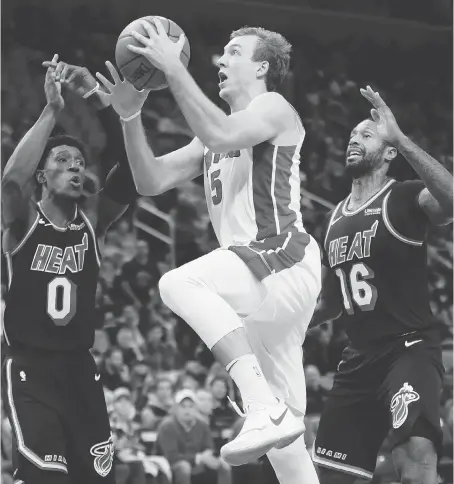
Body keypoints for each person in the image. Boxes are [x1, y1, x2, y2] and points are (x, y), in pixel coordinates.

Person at [97, 23, 321, 482]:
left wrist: (174, 66)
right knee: (286, 448)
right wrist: (129, 116)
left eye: (233, 52)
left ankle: (260, 405)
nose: (220, 60)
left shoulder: (273, 108)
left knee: (178, 282)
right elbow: (150, 181)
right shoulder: (210, 139)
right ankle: (269, 411)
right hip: (256, 288)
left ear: (262, 66)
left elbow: (220, 133)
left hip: (280, 256)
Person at [1, 55, 141, 483]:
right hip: (30, 367)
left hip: (81, 368)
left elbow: (132, 167)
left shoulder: (92, 223)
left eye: (79, 162)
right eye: (62, 160)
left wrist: (99, 100)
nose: (75, 166)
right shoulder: (22, 222)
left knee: (93, 478)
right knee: (46, 478)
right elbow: (10, 180)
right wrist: (53, 109)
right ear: (41, 176)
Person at [309, 86, 453, 484]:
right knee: (330, 476)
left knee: (417, 460)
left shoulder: (404, 197)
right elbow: (332, 303)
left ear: (389, 152)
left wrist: (402, 138)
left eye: (366, 134)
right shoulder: (333, 218)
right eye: (351, 135)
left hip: (408, 349)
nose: (354, 139)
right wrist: (285, 330)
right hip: (358, 358)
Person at [156, 389, 231, 484]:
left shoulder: (202, 425)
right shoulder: (167, 426)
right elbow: (172, 456)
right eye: (183, 406)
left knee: (223, 464)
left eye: (191, 406)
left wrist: (208, 456)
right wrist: (198, 458)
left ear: (195, 408)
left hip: (198, 463)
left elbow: (209, 447)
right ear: (175, 408)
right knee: (184, 467)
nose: (187, 410)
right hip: (169, 465)